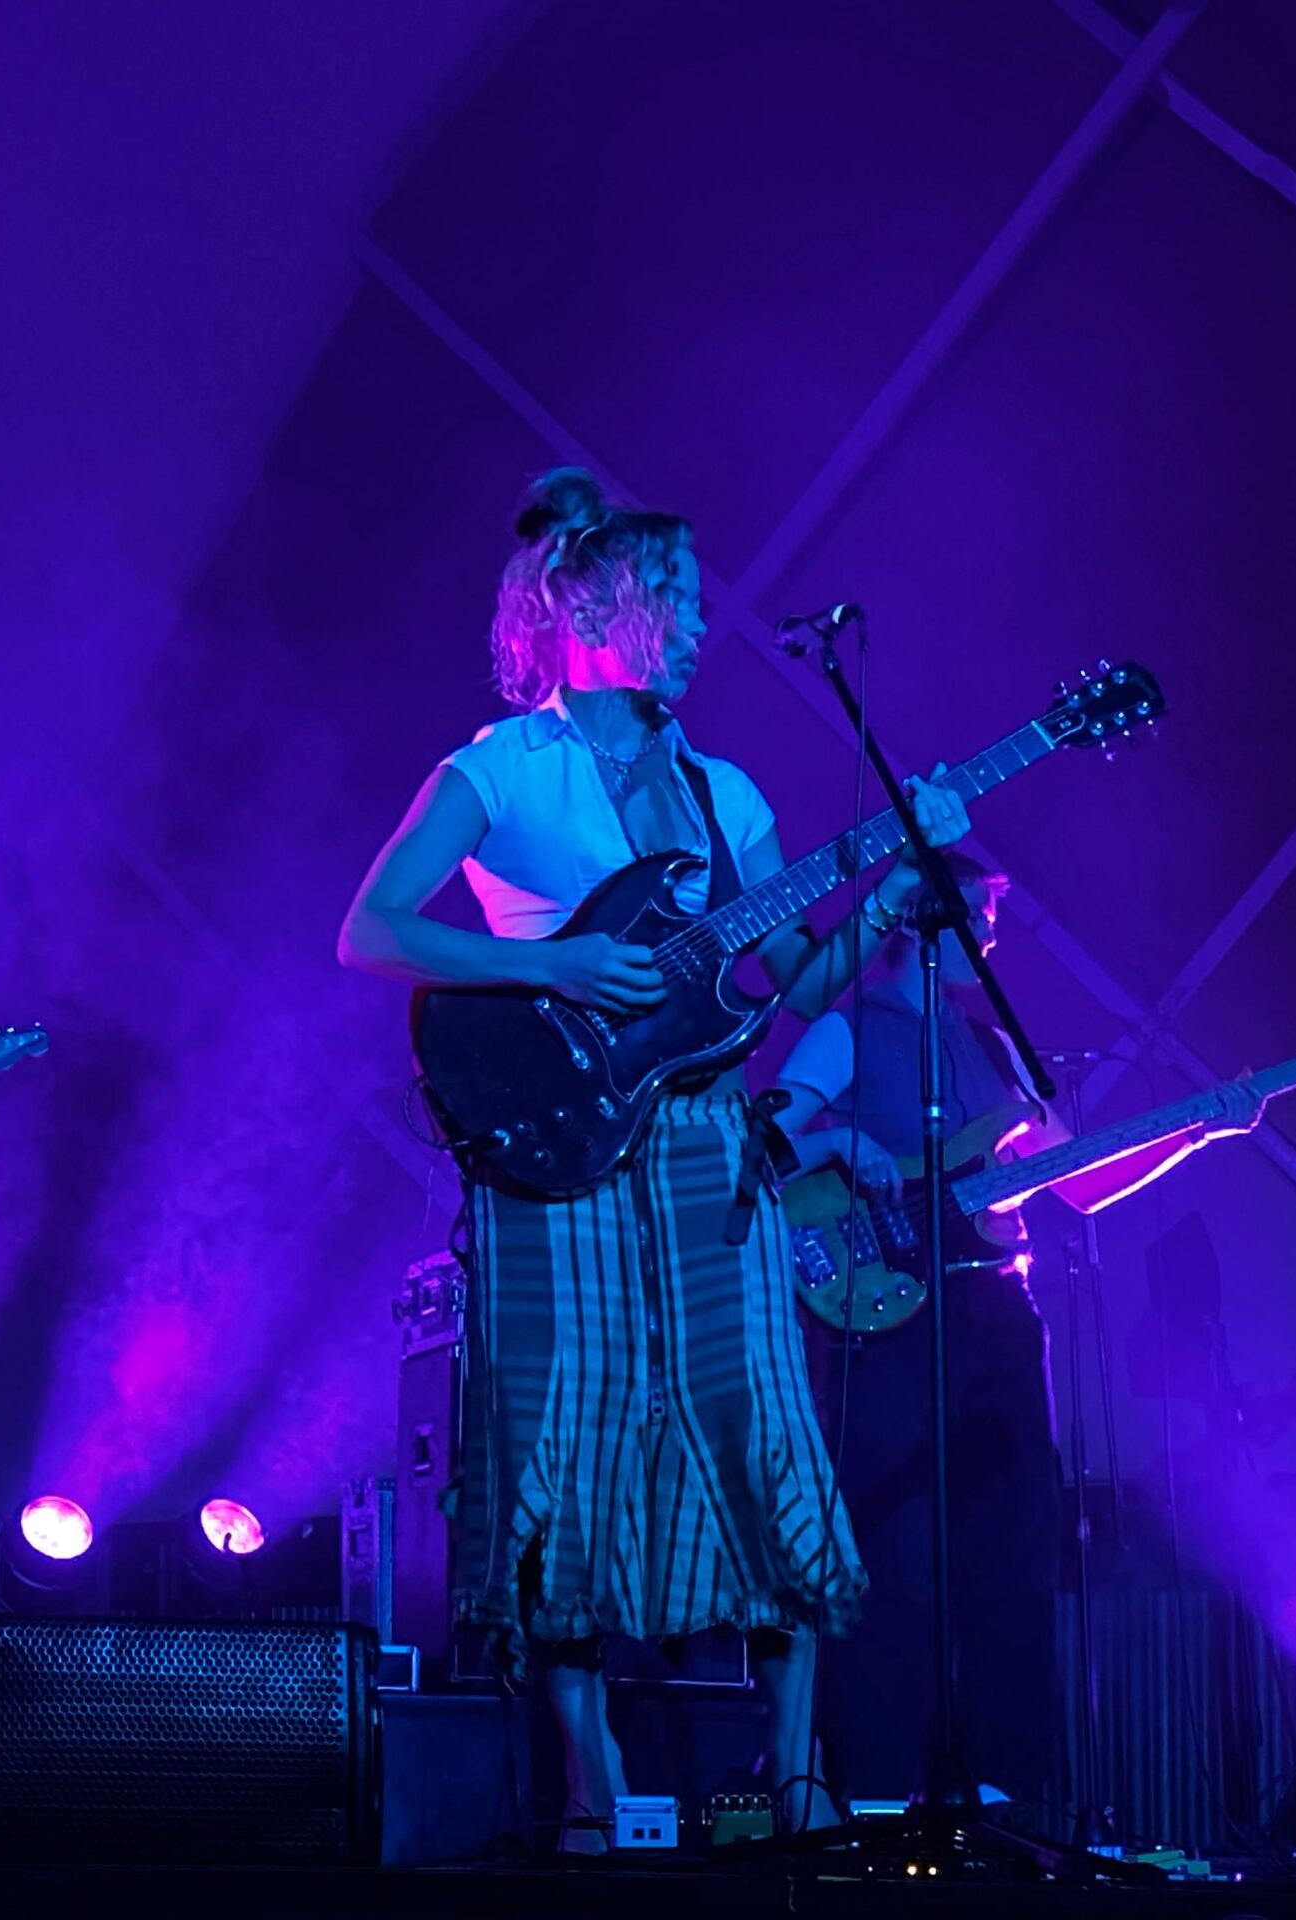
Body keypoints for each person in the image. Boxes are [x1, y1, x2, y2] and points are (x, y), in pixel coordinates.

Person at [339, 470, 975, 1842]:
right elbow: (373, 929)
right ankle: (591, 1781)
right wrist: (556, 955)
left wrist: (891, 900)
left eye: (693, 604)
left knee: (764, 1431)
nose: (696, 627)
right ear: (590, 610)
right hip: (552, 1153)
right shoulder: (501, 771)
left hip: (700, 1139)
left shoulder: (723, 790)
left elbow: (796, 984)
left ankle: (798, 1780)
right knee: (558, 1451)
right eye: (672, 602)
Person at [771, 866, 1260, 1807]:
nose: (991, 943)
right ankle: (873, 1800)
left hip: (997, 1317)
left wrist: (1200, 1131)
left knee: (1013, 1560)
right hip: (888, 1323)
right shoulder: (850, 1027)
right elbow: (772, 1141)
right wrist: (837, 1145)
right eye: (978, 922)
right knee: (893, 1564)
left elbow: (1071, 1182)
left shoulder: (996, 1047)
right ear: (921, 923)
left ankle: (1007, 1800)